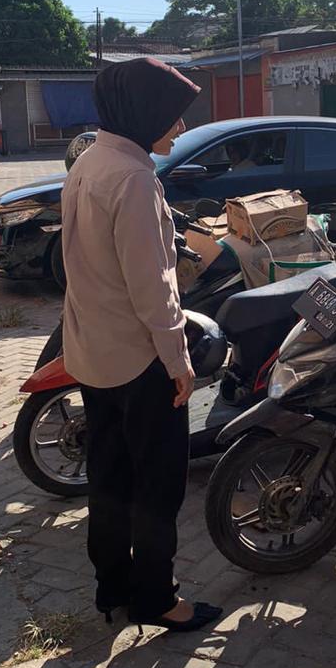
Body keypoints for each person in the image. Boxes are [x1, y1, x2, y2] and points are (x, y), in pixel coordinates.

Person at [61, 57, 222, 633]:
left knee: (109, 476)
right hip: (139, 358)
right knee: (156, 485)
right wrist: (178, 361)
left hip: (93, 351)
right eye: (172, 115)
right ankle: (156, 599)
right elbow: (153, 286)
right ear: (144, 112)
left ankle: (113, 589)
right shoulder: (133, 179)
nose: (179, 128)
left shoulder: (89, 161)